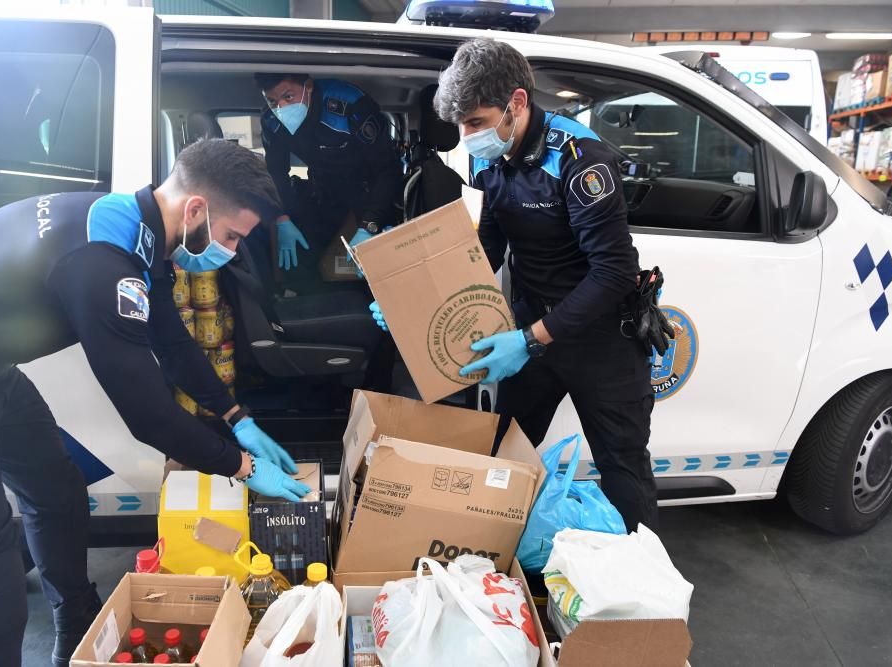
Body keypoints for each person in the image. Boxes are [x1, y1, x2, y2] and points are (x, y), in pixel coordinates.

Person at [0, 139, 310, 667]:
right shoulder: (104, 262)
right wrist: (241, 465)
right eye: (231, 236)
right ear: (197, 210)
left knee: (58, 492)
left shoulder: (135, 227)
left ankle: (74, 625)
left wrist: (238, 419)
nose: (229, 250)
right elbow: (145, 414)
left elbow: (173, 341)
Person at [432, 38, 667, 533]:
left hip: (603, 337)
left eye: (475, 122)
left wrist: (528, 339)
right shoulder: (486, 158)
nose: (468, 135)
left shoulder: (582, 161)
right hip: (536, 329)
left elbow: (613, 272)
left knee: (623, 468)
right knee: (504, 450)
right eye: (461, 125)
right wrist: (425, 300)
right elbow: (488, 248)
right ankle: (486, 554)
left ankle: (638, 597)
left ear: (516, 103)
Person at [254, 72, 403, 286]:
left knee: (371, 272)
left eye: (288, 97)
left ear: (309, 86)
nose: (281, 108)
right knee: (302, 257)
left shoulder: (349, 105)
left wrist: (370, 225)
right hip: (323, 190)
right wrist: (282, 218)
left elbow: (387, 170)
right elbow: (276, 173)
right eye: (272, 101)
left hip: (370, 191)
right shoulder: (270, 120)